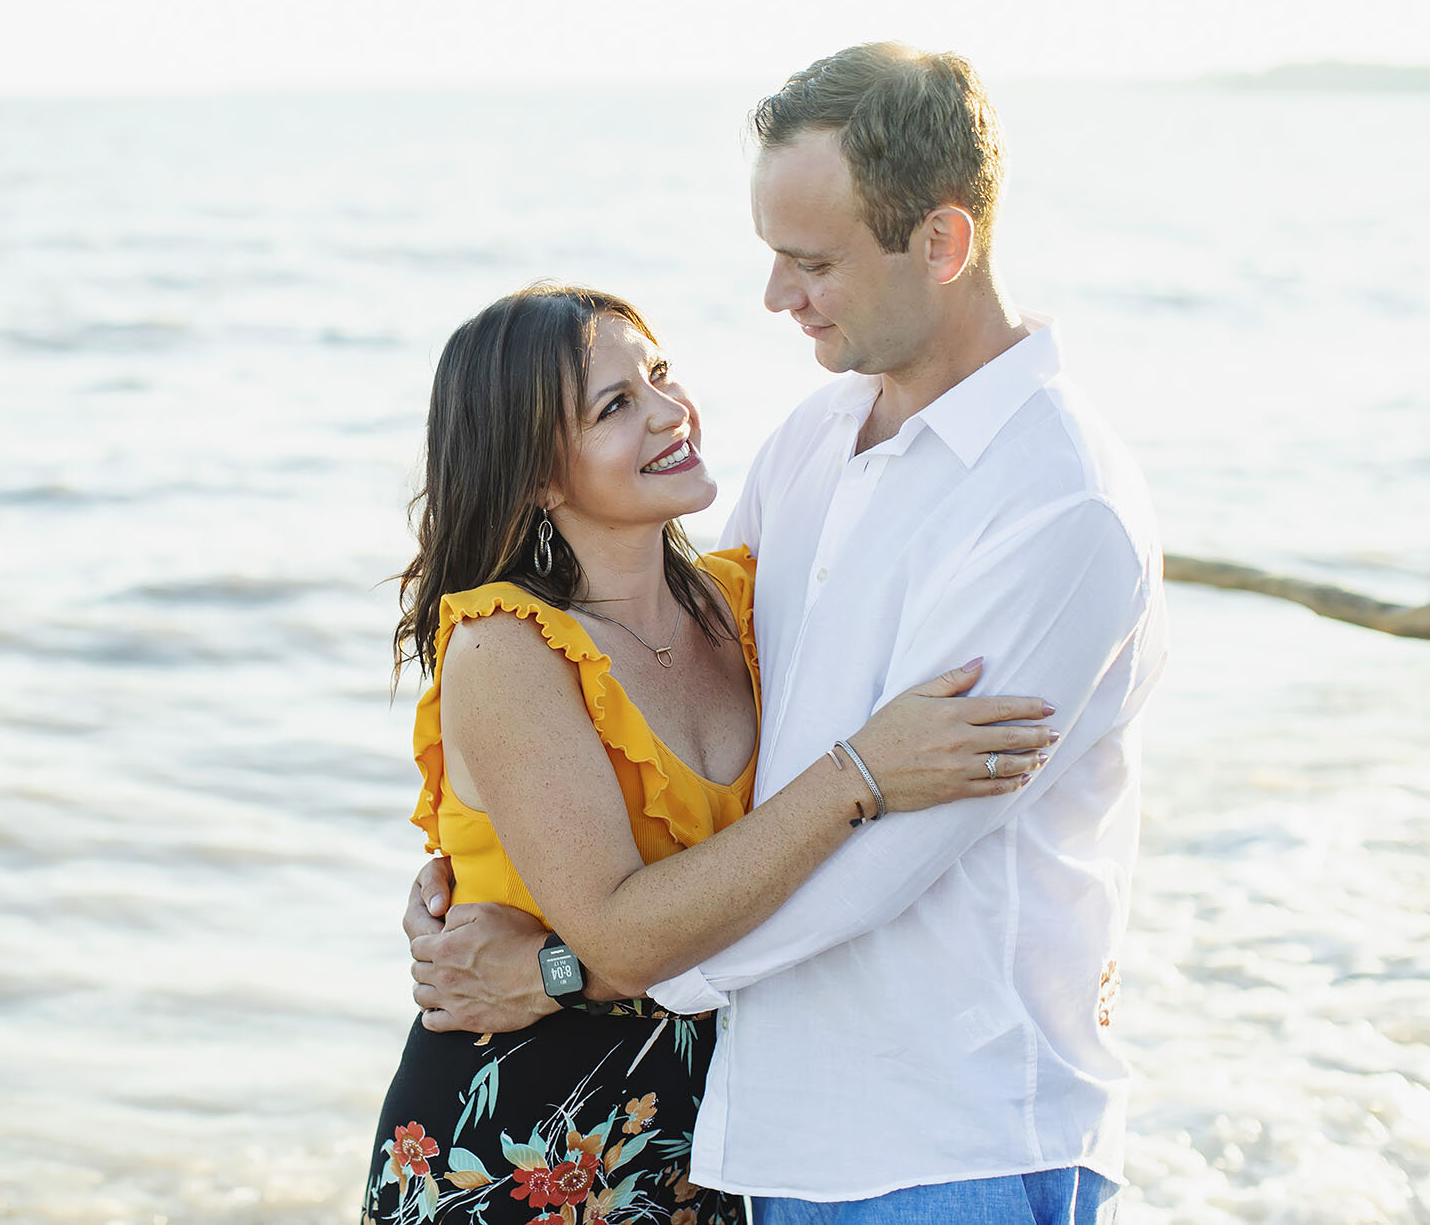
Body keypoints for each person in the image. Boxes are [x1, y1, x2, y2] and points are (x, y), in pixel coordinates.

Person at [404, 45, 1168, 1223]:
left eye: (810, 261)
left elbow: (880, 866)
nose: (774, 296)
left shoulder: (1057, 510)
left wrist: (567, 970)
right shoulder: (817, 441)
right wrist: (478, 876)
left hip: (951, 1140)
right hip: (759, 1135)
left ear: (942, 244)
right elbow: (653, 701)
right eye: (771, 255)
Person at [362, 283, 1059, 1225]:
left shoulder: (746, 605)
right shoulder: (506, 647)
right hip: (518, 1146)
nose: (668, 412)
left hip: (714, 1134)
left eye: (658, 374)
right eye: (615, 407)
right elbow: (621, 933)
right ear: (537, 476)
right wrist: (862, 776)